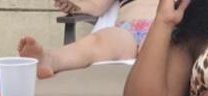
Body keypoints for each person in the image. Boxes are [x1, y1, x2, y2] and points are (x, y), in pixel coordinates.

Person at [18, 0, 158, 79]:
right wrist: (73, 5)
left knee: (155, 47)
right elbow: (96, 6)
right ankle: (50, 59)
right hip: (127, 30)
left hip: (161, 29)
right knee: (97, 41)